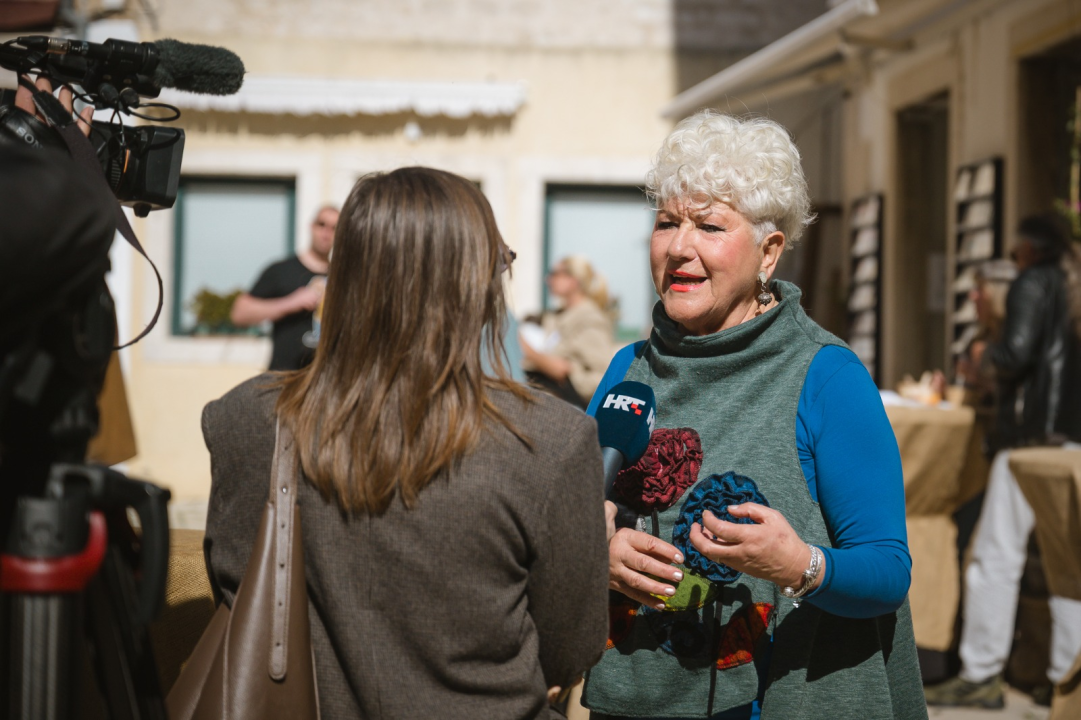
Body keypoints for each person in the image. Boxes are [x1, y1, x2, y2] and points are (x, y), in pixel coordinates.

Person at [201, 167, 610, 719]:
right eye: (502, 262)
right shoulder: (552, 440)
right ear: (475, 283)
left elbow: (231, 588)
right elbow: (569, 654)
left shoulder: (244, 418)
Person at [580, 111, 925, 720]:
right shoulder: (626, 370)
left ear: (769, 252)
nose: (679, 247)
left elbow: (887, 570)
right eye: (667, 223)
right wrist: (596, 551)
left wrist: (799, 566)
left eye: (709, 225)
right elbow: (567, 518)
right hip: (632, 701)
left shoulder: (827, 376)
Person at [925, 214, 1081, 709]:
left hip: (1033, 438)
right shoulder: (1071, 281)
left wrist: (982, 363)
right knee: (1067, 565)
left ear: (1028, 251)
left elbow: (1015, 354)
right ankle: (1066, 679)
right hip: (1069, 439)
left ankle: (981, 672)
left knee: (995, 555)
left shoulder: (1035, 281)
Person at [230, 204, 340, 370]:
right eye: (321, 224)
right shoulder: (281, 270)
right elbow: (240, 313)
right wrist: (291, 302)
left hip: (324, 382)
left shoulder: (342, 278)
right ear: (311, 227)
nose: (326, 233)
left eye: (334, 228)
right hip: (283, 379)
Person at [521, 255, 616, 407]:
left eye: (554, 274)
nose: (548, 279)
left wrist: (567, 371)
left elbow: (601, 376)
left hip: (569, 411)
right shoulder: (556, 315)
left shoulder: (590, 319)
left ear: (573, 280)